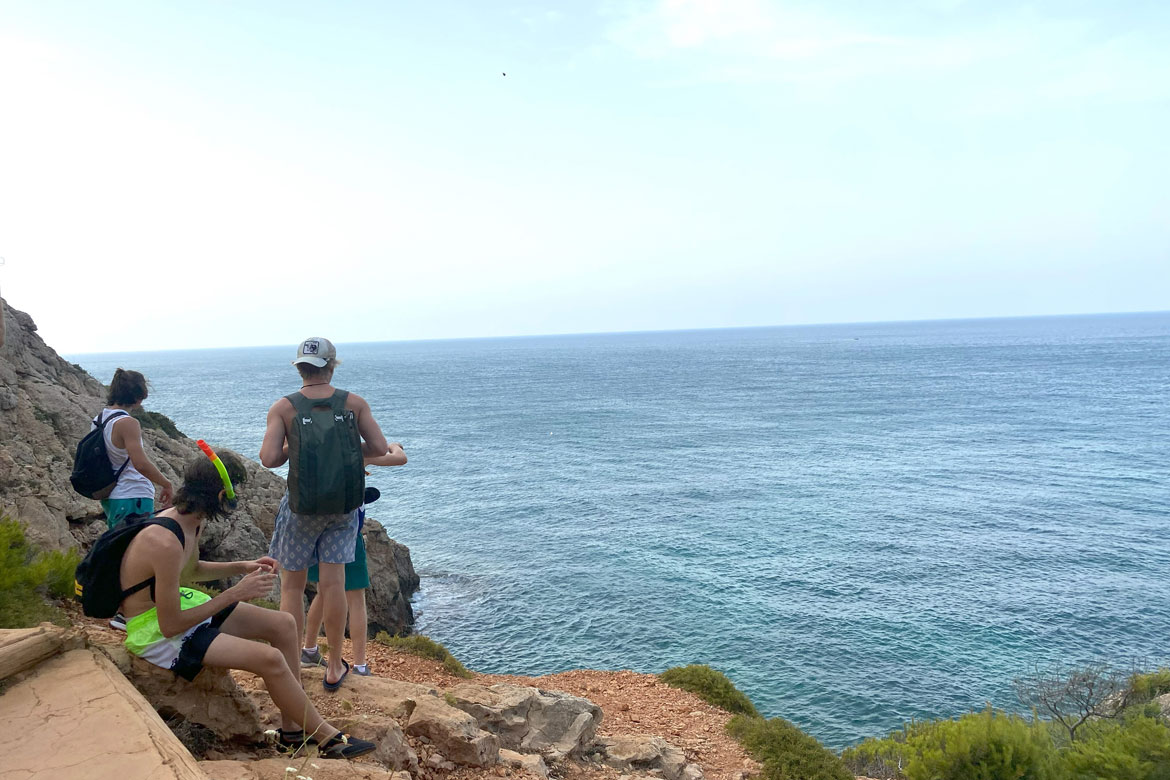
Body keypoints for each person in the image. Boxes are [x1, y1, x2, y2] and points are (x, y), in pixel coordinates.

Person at [117, 450, 375, 758]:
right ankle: (329, 738)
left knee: (284, 624)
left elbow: (191, 569)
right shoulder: (164, 541)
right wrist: (235, 593)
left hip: (179, 609)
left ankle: (292, 732)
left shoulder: (190, 521)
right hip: (154, 632)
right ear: (221, 492)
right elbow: (169, 624)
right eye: (234, 490)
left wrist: (243, 566)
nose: (236, 497)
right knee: (269, 659)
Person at [260, 337, 392, 692]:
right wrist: (346, 449)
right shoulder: (354, 403)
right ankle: (334, 666)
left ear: (300, 367)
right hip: (343, 509)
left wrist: (295, 445)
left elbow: (270, 459)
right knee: (333, 585)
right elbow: (379, 448)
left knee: (293, 586)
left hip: (301, 508)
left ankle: (291, 663)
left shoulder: (284, 408)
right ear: (332, 366)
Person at [302, 448, 407, 675]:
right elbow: (400, 459)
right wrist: (394, 446)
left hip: (317, 531)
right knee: (356, 599)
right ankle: (360, 665)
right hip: (346, 533)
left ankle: (309, 649)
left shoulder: (317, 452)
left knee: (323, 592)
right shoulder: (355, 453)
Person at [94, 369, 174, 530]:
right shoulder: (127, 423)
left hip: (112, 496)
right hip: (132, 495)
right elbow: (141, 464)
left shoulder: (99, 420)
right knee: (140, 551)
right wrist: (166, 484)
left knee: (121, 549)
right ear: (139, 396)